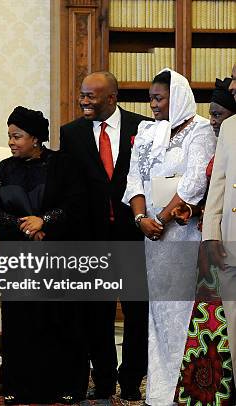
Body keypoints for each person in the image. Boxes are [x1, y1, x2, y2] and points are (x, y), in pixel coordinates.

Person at [123, 68, 217, 405]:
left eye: (159, 98)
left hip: (184, 235)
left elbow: (194, 184)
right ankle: (161, 391)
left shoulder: (202, 130)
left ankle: (189, 387)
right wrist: (141, 219)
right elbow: (135, 179)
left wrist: (160, 219)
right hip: (152, 238)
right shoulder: (148, 131)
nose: (152, 104)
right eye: (151, 98)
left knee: (185, 311)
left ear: (176, 97)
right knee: (158, 314)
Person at [0, 107, 88, 404]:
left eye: (17, 136)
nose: (11, 142)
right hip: (19, 258)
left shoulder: (63, 165)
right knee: (20, 323)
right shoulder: (3, 169)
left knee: (60, 320)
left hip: (57, 257)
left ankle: (66, 385)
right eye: (9, 136)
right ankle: (18, 385)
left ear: (35, 138)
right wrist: (25, 226)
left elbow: (75, 204)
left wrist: (46, 221)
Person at [59, 71, 149, 400]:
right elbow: (70, 188)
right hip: (92, 239)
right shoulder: (71, 133)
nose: (84, 101)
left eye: (91, 96)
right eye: (82, 94)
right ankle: (105, 380)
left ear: (111, 98)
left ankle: (131, 380)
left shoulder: (143, 128)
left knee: (137, 314)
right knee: (97, 315)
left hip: (133, 237)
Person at [197, 63, 236, 400]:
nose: (233, 85)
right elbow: (219, 185)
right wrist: (211, 234)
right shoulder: (231, 128)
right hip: (230, 244)